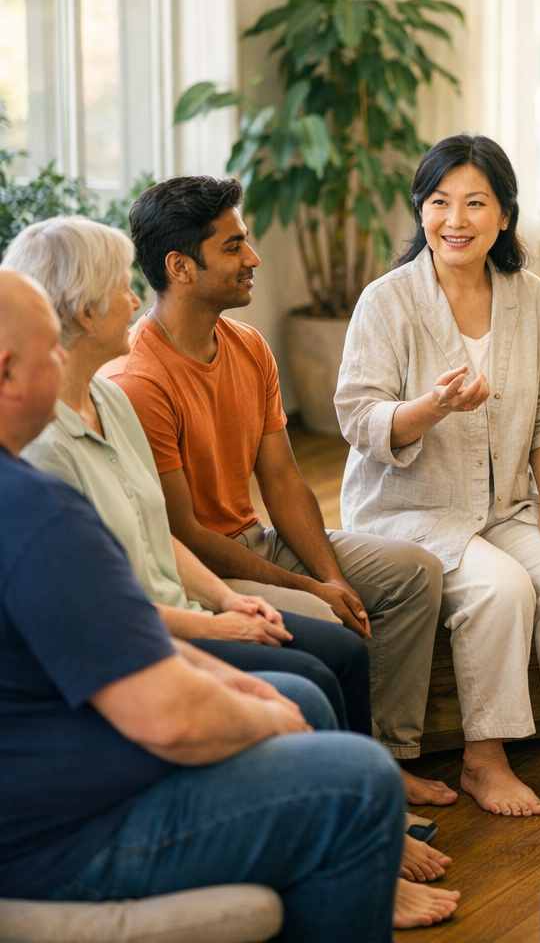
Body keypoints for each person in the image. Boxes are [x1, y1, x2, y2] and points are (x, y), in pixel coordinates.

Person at [0, 268, 460, 938]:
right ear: (8, 372)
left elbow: (119, 642)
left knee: (295, 695)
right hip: (60, 841)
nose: (64, 359)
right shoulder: (35, 510)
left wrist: (237, 682)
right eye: (51, 350)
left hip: (58, 795)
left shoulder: (32, 493)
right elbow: (169, 717)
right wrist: (262, 719)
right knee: (359, 778)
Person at [102, 176, 454, 808]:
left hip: (255, 541)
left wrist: (329, 572)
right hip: (204, 567)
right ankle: (351, 778)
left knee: (416, 573)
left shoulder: (248, 344)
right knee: (328, 622)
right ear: (180, 267)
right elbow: (184, 535)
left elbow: (284, 478)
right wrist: (313, 591)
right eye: (234, 246)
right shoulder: (139, 381)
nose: (254, 259)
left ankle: (387, 755)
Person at [336, 133, 540, 817]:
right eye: (439, 202)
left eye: (475, 203)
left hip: (503, 506)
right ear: (421, 210)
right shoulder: (387, 302)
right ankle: (484, 757)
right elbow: (358, 419)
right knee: (500, 589)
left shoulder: (528, 298)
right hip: (411, 511)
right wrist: (429, 407)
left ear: (504, 216)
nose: (455, 220)